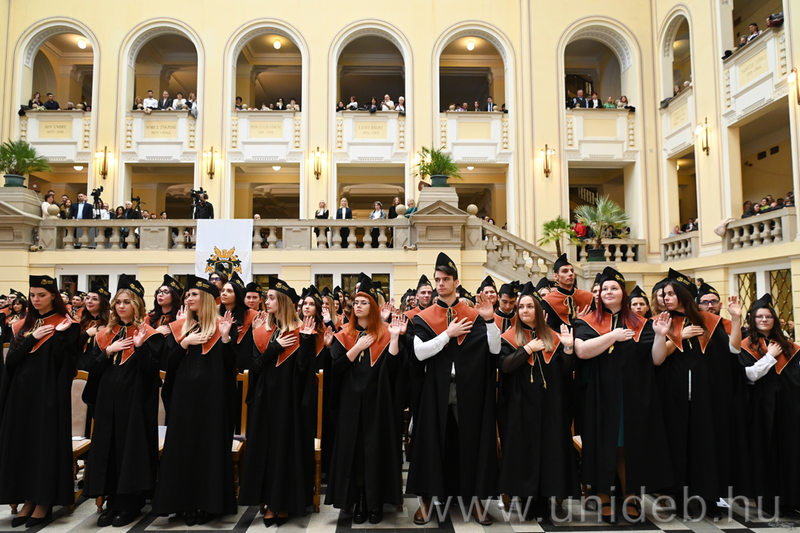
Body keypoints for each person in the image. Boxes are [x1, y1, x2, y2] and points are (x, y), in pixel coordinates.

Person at [407, 253, 501, 526]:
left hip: (469, 391)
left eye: (446, 279)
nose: (440, 283)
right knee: (431, 443)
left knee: (472, 443)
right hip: (435, 391)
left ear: (456, 282)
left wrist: (490, 320)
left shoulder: (474, 316)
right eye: (437, 279)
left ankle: (476, 500)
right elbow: (420, 353)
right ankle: (427, 500)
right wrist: (448, 334)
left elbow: (494, 350)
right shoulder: (424, 317)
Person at [575, 267, 673, 523]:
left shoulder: (642, 323)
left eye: (614, 288)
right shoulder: (587, 322)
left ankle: (631, 496)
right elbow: (582, 351)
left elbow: (657, 360)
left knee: (628, 447)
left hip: (632, 396)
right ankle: (603, 496)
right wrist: (613, 336)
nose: (608, 292)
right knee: (601, 444)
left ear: (623, 293)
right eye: (604, 288)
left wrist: (660, 336)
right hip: (599, 396)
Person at [657, 268, 747, 518]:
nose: (666, 298)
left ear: (684, 295)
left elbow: (734, 351)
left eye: (670, 293)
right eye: (664, 294)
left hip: (706, 398)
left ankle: (710, 498)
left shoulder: (710, 321)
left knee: (707, 447)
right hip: (674, 397)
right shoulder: (664, 321)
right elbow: (656, 359)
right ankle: (679, 499)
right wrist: (679, 335)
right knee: (678, 447)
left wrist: (736, 319)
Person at [153, 276, 238, 525]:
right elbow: (170, 364)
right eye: (187, 294)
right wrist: (185, 343)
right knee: (184, 448)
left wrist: (225, 338)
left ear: (207, 299)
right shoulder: (181, 327)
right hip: (184, 399)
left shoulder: (223, 325)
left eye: (193, 294)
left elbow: (230, 366)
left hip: (212, 400)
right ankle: (184, 504)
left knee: (208, 449)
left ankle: (208, 504)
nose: (188, 298)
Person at [82, 276, 163, 527]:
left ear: (136, 304)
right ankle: (112, 501)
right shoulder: (105, 334)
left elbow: (152, 372)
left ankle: (130, 503)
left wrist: (139, 347)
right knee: (109, 449)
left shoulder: (150, 335)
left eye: (127, 302)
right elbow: (93, 370)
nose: (121, 306)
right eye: (118, 302)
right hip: (107, 403)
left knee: (130, 450)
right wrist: (108, 352)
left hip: (135, 404)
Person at [326, 277, 405, 524]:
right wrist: (357, 348)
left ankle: (376, 502)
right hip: (350, 404)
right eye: (356, 303)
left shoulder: (384, 333)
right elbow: (336, 369)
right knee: (356, 454)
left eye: (363, 302)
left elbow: (393, 369)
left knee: (376, 452)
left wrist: (394, 339)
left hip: (377, 403)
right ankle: (359, 499)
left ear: (373, 306)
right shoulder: (344, 334)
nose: (358, 306)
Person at [497, 282, 579, 520]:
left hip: (549, 404)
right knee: (523, 449)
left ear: (539, 311)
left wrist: (568, 349)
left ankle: (546, 498)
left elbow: (564, 372)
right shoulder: (509, 337)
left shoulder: (553, 337)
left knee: (550, 449)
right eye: (521, 306)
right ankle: (525, 498)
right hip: (520, 405)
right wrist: (527, 349)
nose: (524, 310)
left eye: (529, 306)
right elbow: (505, 366)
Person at [0, 275, 77, 527]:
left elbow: (64, 365)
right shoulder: (22, 325)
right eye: (32, 295)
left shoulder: (67, 324)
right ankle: (28, 500)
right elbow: (11, 362)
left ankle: (43, 501)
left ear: (53, 295)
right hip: (21, 397)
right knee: (24, 447)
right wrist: (32, 338)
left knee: (43, 447)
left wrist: (60, 336)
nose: (35, 299)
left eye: (41, 295)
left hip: (48, 396)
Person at [239, 276, 314, 525]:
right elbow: (254, 368)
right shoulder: (261, 331)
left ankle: (283, 503)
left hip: (289, 401)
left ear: (282, 302)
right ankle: (269, 502)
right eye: (267, 297)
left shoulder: (300, 331)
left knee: (285, 449)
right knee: (266, 451)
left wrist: (306, 341)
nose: (266, 301)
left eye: (271, 298)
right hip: (264, 400)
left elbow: (303, 371)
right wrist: (275, 347)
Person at [736, 294, 800, 516]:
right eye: (759, 316)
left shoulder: (789, 346)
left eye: (768, 316)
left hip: (787, 408)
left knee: (789, 451)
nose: (764, 320)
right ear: (752, 319)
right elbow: (748, 376)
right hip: (759, 409)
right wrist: (770, 357)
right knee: (764, 452)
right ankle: (768, 501)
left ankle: (791, 498)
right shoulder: (745, 345)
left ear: (775, 320)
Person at [541, 254, 593, 330]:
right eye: (565, 271)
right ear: (556, 276)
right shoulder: (547, 302)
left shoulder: (588, 297)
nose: (570, 274)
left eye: (572, 271)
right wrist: (576, 321)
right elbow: (552, 330)